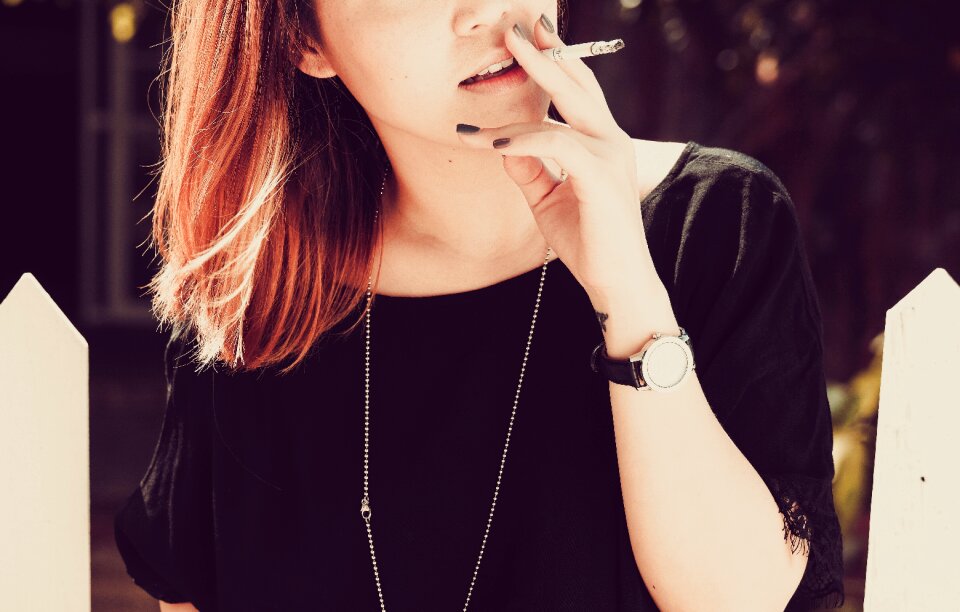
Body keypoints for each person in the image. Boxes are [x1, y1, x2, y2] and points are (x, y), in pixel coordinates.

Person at [113, 1, 846, 610]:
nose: (484, 12)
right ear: (306, 40)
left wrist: (627, 286)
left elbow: (744, 599)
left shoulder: (718, 220)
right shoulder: (258, 297)